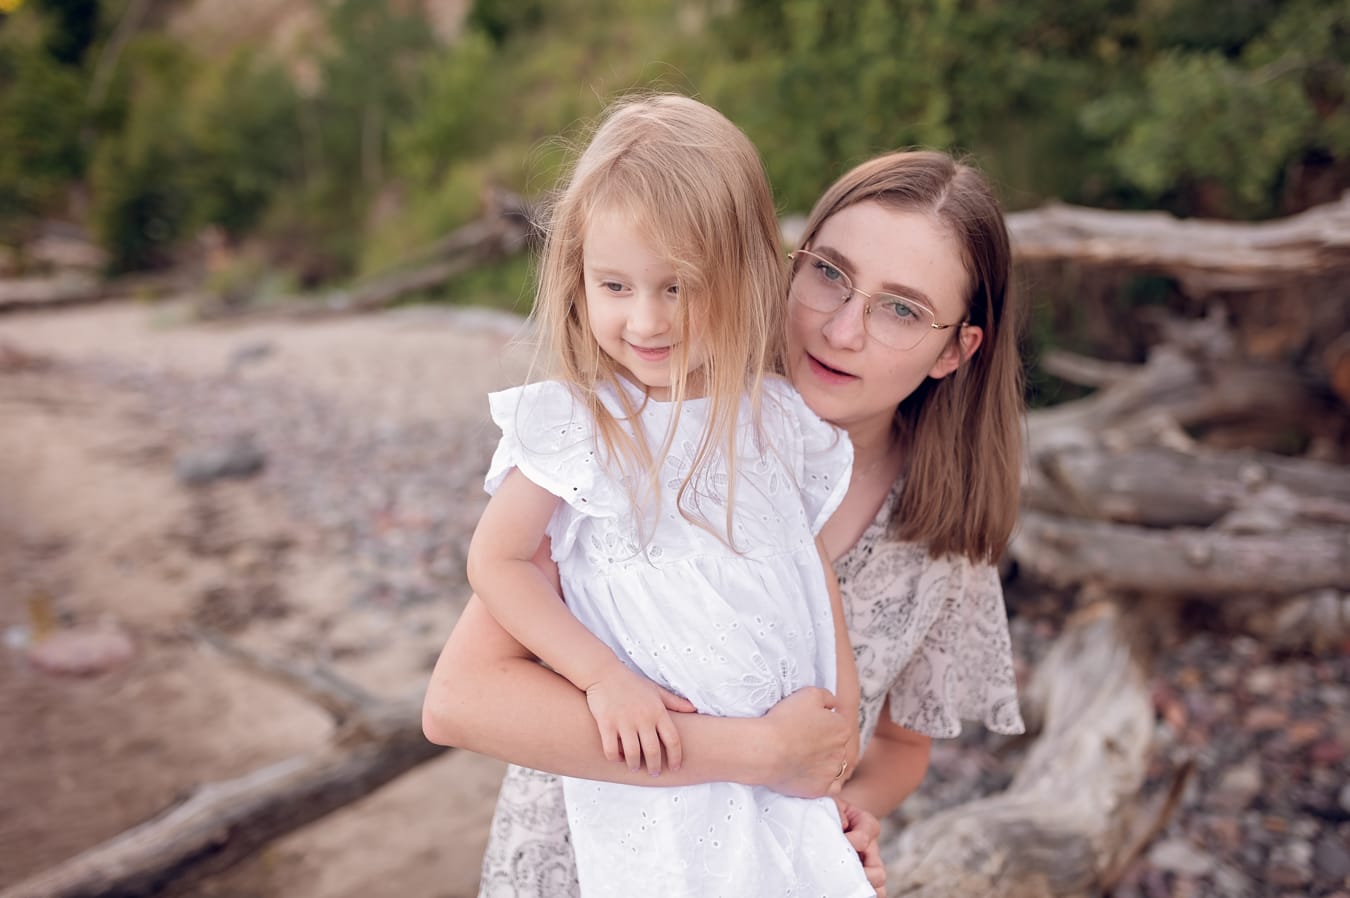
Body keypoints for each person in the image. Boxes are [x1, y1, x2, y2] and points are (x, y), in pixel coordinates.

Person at [423, 144, 1028, 898]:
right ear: (782, 262)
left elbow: (898, 747)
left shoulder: (944, 544)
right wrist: (759, 752)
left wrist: (848, 816)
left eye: (901, 308)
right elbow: (459, 702)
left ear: (956, 350)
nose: (843, 329)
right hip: (569, 869)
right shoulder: (643, 431)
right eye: (830, 274)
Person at [464, 93, 873, 898]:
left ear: (742, 273)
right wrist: (600, 677)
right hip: (659, 786)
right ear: (578, 279)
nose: (646, 320)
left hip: (783, 788)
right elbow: (498, 560)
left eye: (677, 288)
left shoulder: (774, 420)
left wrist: (841, 723)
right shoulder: (582, 423)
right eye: (615, 286)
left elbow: (805, 569)